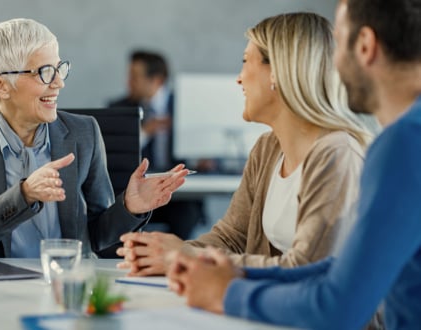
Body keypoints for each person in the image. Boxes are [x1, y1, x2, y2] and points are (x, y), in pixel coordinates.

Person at [167, 0, 421, 329]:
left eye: (338, 42)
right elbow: (340, 268)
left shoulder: (402, 145)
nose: (332, 64)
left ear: (365, 46)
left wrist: (227, 292)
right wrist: (235, 272)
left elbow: (338, 307)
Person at [117, 12, 372, 276]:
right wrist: (163, 255)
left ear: (277, 72)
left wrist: (186, 257)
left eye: (245, 61)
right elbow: (231, 238)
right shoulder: (267, 148)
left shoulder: (337, 154)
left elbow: (307, 268)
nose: (239, 78)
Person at [0, 18, 189, 259]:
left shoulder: (84, 133)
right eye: (45, 72)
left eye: (59, 69)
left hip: (69, 282)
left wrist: (128, 208)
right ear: (0, 85)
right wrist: (23, 195)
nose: (59, 83)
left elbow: (97, 235)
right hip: (0, 287)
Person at [108, 50, 206, 240]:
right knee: (123, 213)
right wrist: (145, 132)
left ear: (157, 80)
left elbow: (204, 146)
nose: (128, 82)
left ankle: (175, 261)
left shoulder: (187, 105)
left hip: (181, 195)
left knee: (186, 216)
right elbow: (113, 152)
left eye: (134, 77)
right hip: (140, 191)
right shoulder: (119, 108)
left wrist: (202, 157)